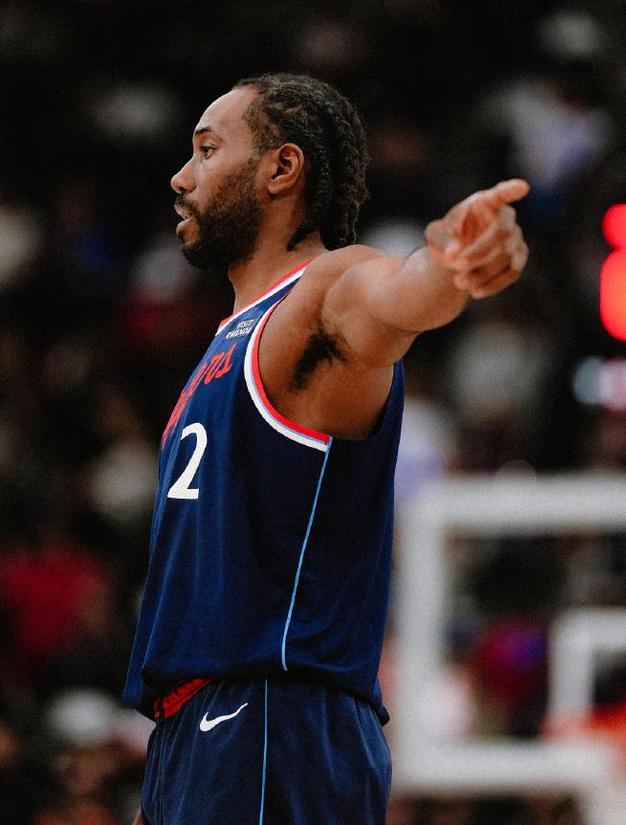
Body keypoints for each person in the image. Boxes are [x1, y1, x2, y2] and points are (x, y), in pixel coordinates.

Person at [124, 73, 529, 825]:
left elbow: (393, 298)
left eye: (207, 150)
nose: (181, 177)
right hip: (200, 732)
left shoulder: (322, 290)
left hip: (273, 716)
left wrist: (451, 263)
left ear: (282, 168)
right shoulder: (228, 339)